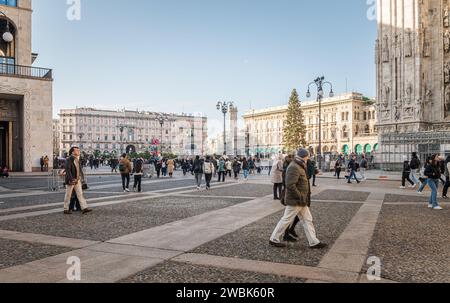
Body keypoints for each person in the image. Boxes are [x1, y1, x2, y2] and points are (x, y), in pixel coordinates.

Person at [269, 149, 327, 249]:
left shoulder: (299, 165)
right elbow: (290, 184)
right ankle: (274, 238)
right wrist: (299, 196)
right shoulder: (294, 166)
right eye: (308, 156)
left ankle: (313, 242)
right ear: (304, 156)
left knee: (307, 220)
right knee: (286, 219)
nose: (308, 158)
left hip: (301, 200)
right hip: (296, 200)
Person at [63, 146, 92, 215]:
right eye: (77, 150)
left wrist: (82, 177)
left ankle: (84, 208)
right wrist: (71, 179)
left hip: (77, 180)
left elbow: (79, 169)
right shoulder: (69, 159)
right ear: (73, 152)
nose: (78, 151)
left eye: (78, 150)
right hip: (71, 180)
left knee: (80, 194)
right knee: (68, 195)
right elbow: (68, 169)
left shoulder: (77, 159)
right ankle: (66, 209)